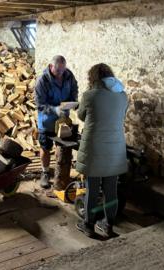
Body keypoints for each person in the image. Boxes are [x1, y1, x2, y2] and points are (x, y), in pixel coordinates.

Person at [75, 63, 128, 238]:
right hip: (115, 148)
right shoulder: (122, 96)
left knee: (92, 188)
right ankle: (108, 225)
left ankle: (88, 224)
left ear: (94, 77)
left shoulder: (90, 96)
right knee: (111, 189)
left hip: (95, 147)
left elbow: (81, 115)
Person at [35, 55, 78, 189]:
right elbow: (40, 104)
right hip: (47, 121)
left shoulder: (68, 76)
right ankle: (45, 172)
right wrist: (54, 109)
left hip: (63, 119)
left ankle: (62, 175)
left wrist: (70, 104)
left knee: (64, 146)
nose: (61, 74)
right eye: (58, 71)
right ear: (50, 66)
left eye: (63, 71)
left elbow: (74, 90)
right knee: (45, 148)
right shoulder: (42, 81)